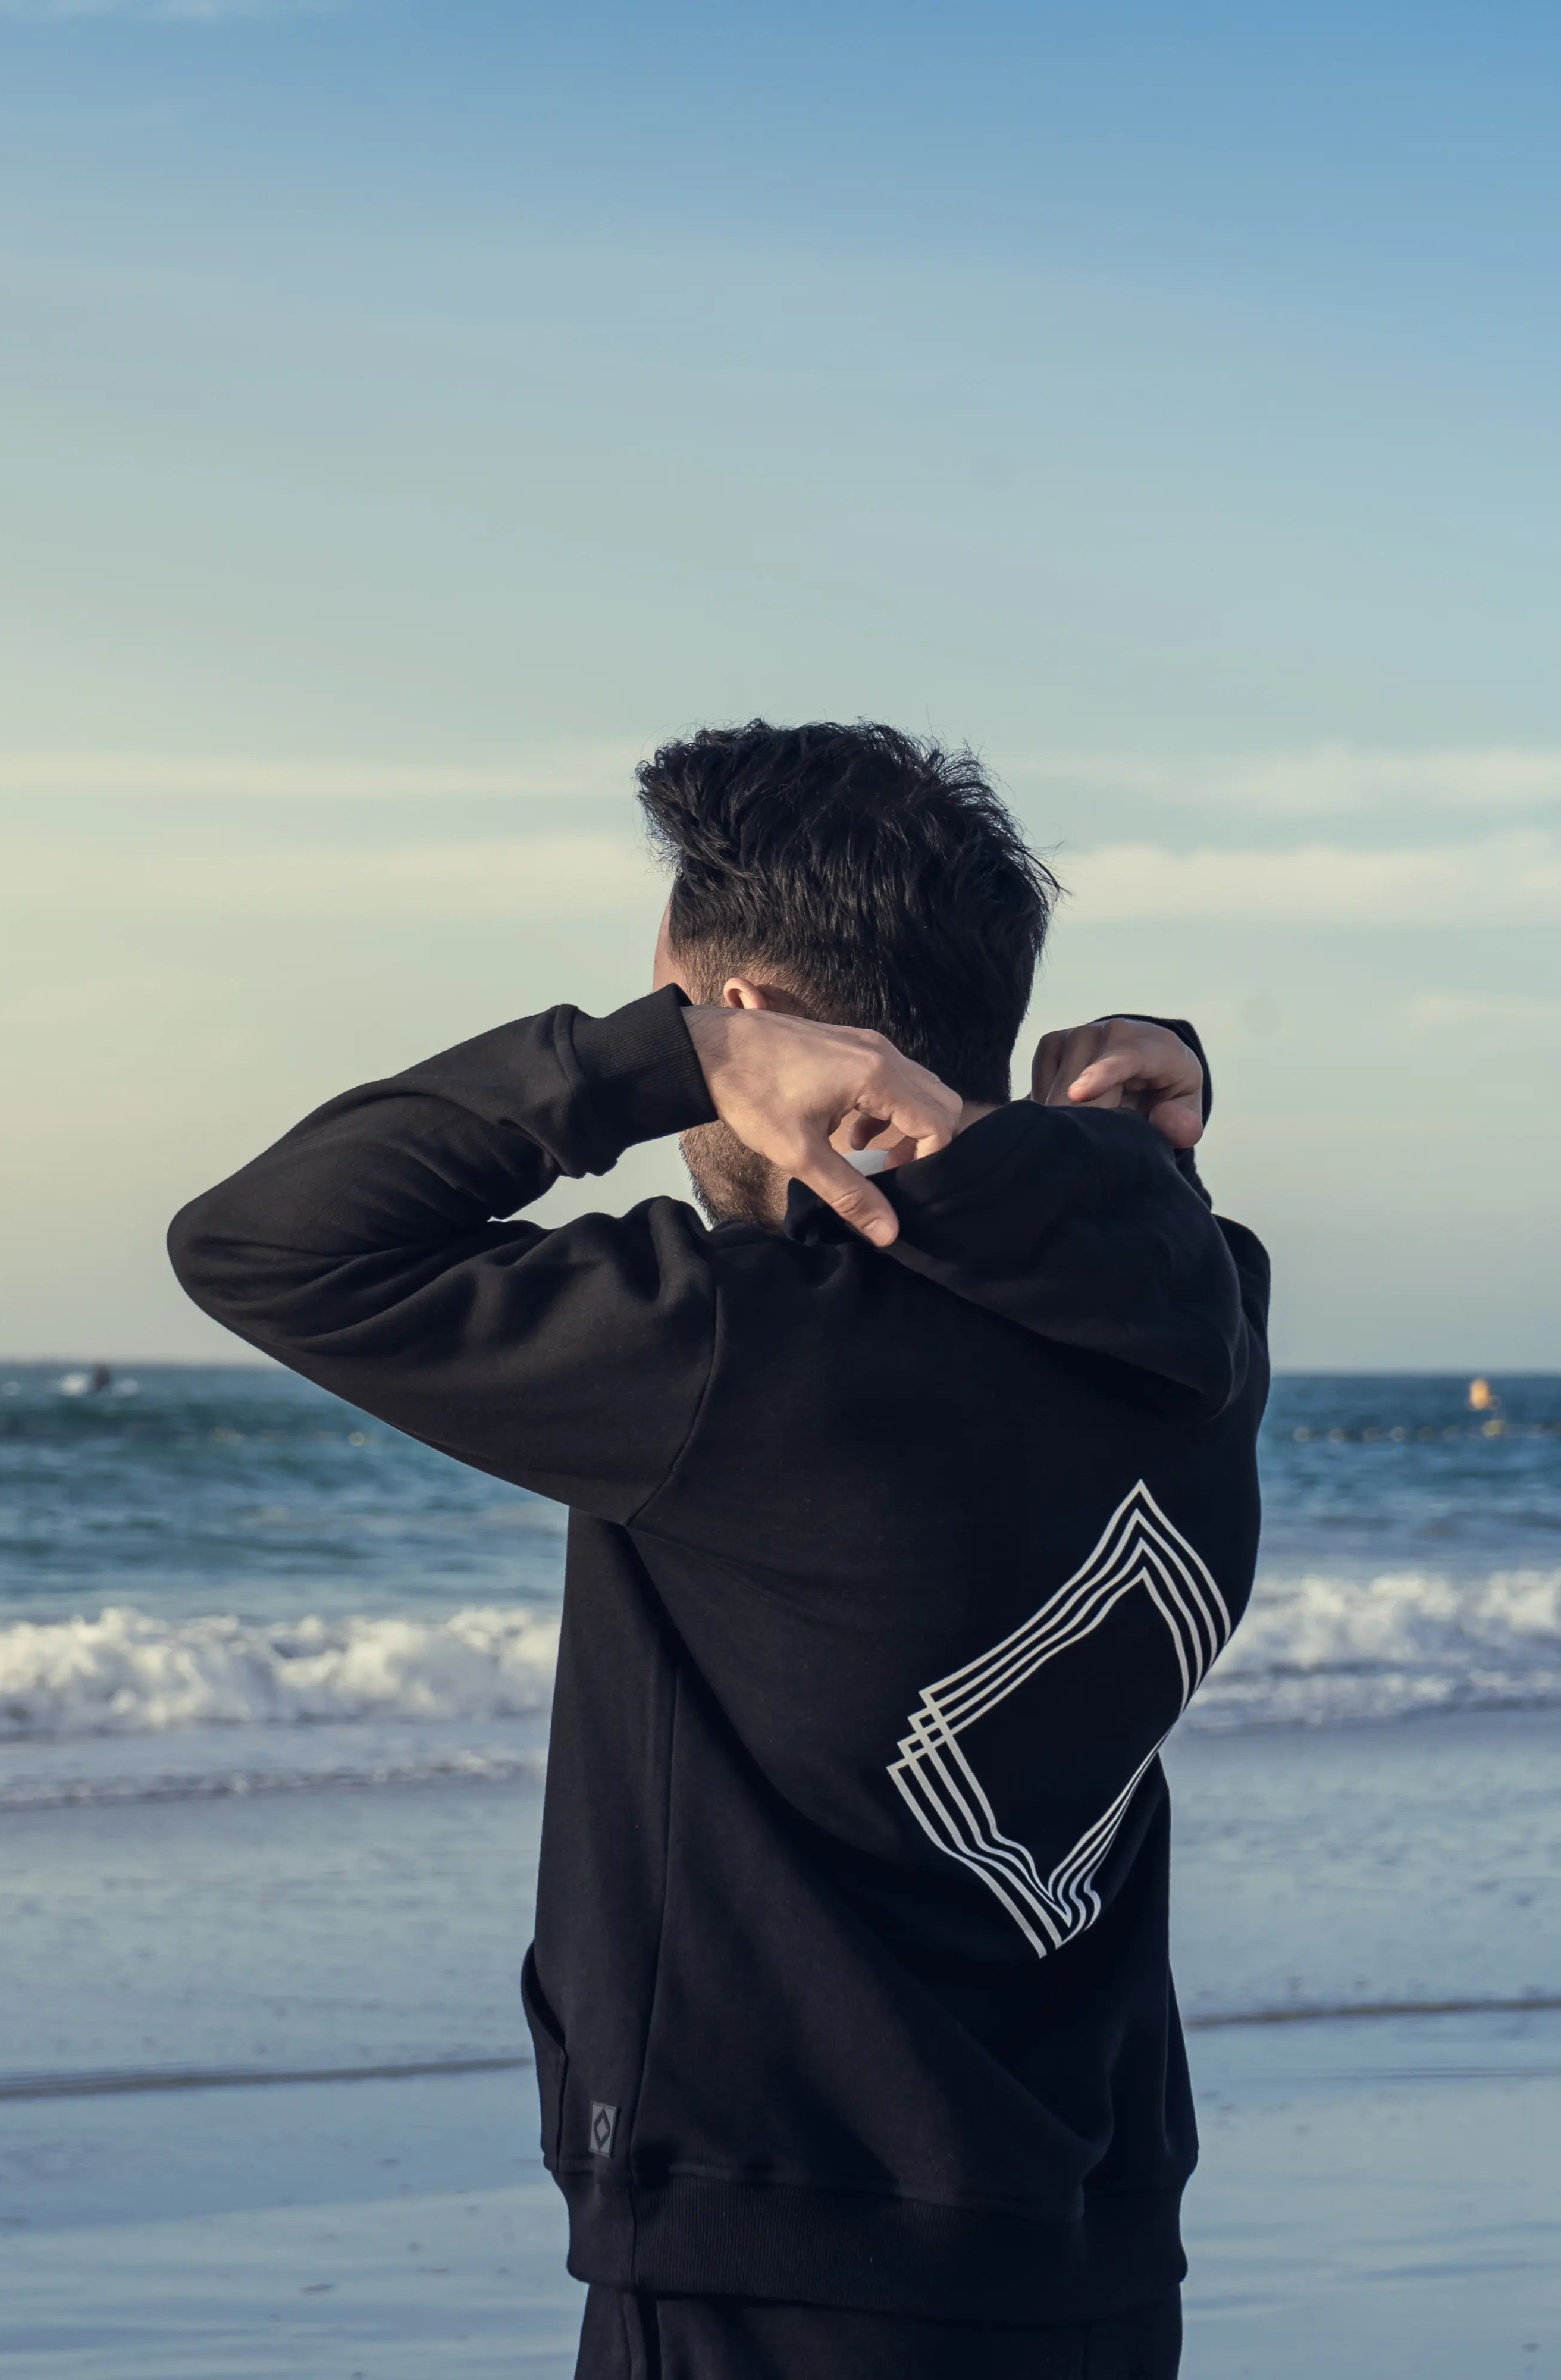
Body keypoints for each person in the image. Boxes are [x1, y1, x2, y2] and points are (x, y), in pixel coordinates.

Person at [169, 721, 1270, 2380]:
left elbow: (260, 1244)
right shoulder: (1209, 1308)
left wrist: (651, 1071)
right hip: (1099, 2249)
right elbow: (1090, 1220)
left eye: (673, 1009)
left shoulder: (741, 1347)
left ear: (745, 1023)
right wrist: (1121, 1109)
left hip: (789, 2253)